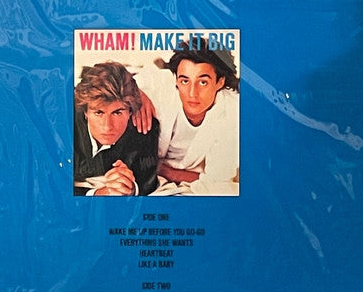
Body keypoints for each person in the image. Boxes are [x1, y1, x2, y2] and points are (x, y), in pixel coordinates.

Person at [134, 37, 239, 195]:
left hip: (185, 176)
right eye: (184, 81)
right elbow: (118, 80)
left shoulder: (232, 112)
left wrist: (167, 172)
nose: (192, 93)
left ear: (220, 82)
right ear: (176, 78)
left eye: (203, 82)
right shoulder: (161, 85)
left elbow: (216, 181)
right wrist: (135, 93)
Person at [74, 61, 159, 196]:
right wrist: (98, 193)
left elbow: (148, 181)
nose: (107, 126)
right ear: (85, 112)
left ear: (130, 111)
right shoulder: (66, 127)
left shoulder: (143, 126)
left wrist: (131, 187)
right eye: (99, 113)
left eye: (117, 113)